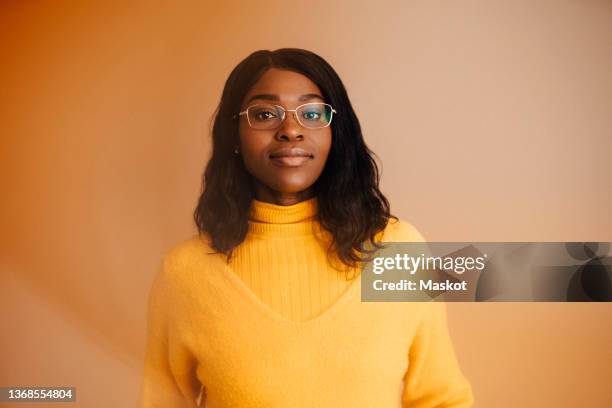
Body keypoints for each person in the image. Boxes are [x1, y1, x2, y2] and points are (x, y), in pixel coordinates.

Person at [139, 48, 474, 407]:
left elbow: (442, 398)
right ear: (234, 136)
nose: (290, 130)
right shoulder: (185, 272)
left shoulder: (400, 251)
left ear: (336, 134)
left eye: (312, 113)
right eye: (265, 114)